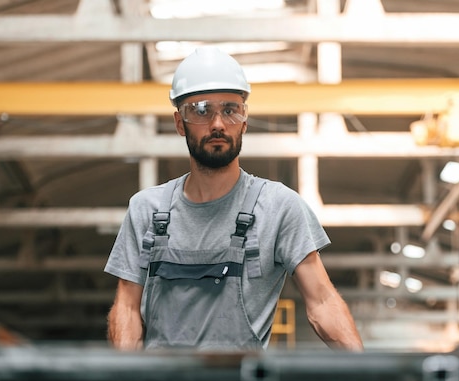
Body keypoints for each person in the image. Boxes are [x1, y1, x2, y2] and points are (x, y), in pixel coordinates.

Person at [104, 46, 363, 352]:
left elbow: (322, 302)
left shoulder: (279, 207)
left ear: (244, 120)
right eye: (200, 110)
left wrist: (368, 375)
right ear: (179, 123)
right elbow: (127, 308)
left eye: (230, 110)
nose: (217, 124)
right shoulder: (146, 210)